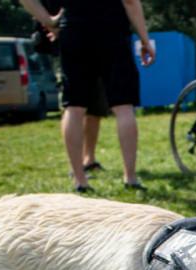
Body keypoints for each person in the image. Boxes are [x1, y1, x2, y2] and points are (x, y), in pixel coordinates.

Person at [19, 0, 155, 192]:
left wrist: (48, 20)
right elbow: (130, 1)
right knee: (123, 107)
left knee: (74, 106)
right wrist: (145, 40)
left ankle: (79, 180)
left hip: (73, 30)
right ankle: (130, 178)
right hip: (112, 30)